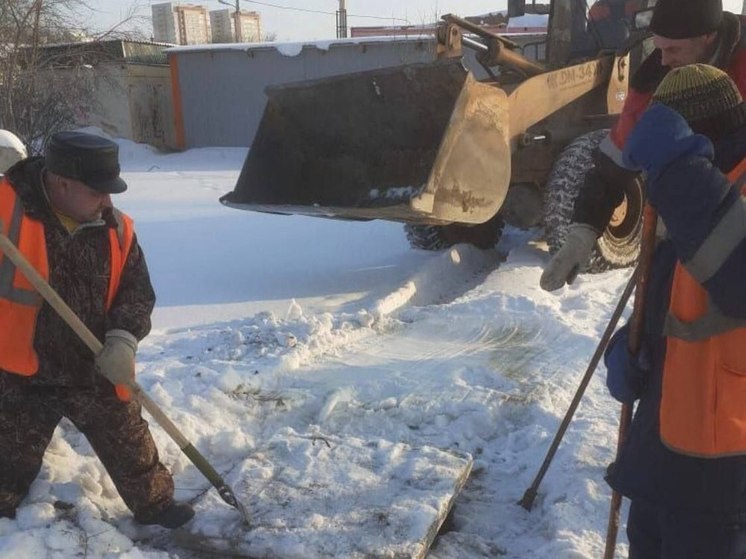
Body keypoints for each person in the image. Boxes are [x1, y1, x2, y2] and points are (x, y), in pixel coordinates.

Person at [0, 131, 194, 529]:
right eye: (97, 191)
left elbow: (136, 292)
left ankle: (155, 506)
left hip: (94, 365)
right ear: (62, 183)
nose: (108, 202)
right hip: (23, 371)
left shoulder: (116, 229)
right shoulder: (6, 213)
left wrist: (123, 341)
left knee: (130, 443)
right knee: (6, 467)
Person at [603, 64, 746, 558]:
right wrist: (634, 346)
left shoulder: (699, 187)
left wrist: (681, 172)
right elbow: (674, 296)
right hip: (668, 456)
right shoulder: (689, 190)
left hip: (727, 478)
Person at [540, 0, 746, 291]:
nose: (663, 60)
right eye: (658, 48)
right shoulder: (652, 82)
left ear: (707, 36)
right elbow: (614, 161)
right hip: (679, 243)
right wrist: (582, 232)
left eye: (672, 49)